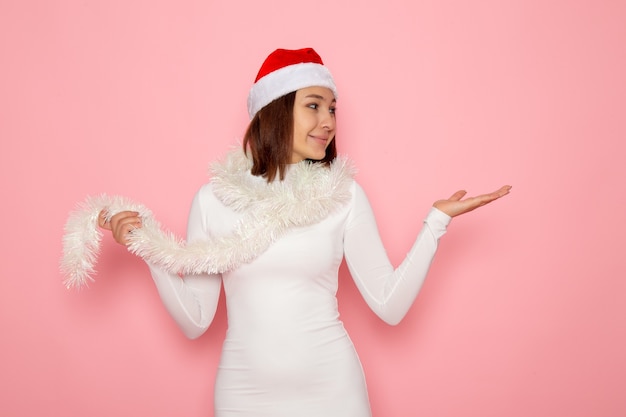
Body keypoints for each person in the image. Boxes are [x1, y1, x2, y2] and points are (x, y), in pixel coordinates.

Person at [97, 48, 511, 417]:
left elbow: (390, 306)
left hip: (333, 391)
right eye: (314, 106)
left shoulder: (343, 193)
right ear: (275, 110)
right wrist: (148, 244)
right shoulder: (214, 199)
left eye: (333, 109)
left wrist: (435, 223)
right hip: (244, 395)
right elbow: (195, 321)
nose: (328, 121)